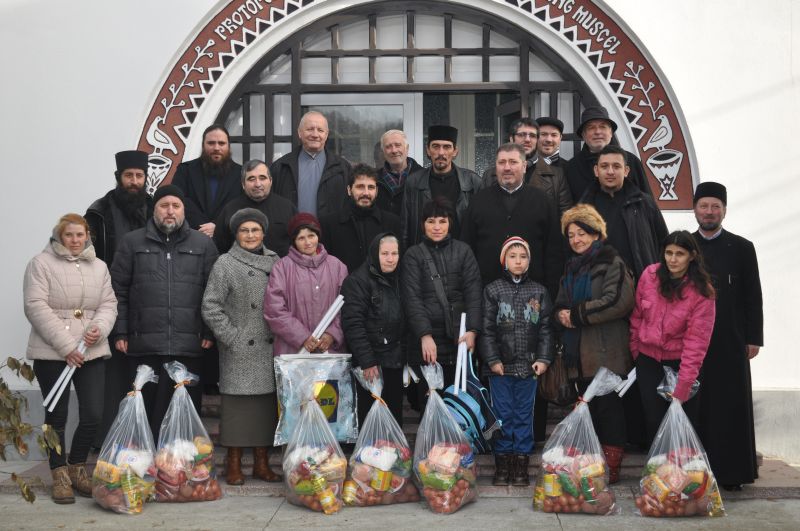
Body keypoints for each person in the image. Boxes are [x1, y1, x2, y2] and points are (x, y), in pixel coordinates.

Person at [111, 185, 219, 439]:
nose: (170, 211)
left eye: (176, 206)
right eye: (164, 205)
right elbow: (118, 291)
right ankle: (146, 466)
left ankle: (179, 467)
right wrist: (121, 331)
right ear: (154, 209)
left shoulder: (202, 244)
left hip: (189, 343)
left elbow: (213, 293)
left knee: (183, 414)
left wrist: (208, 331)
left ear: (183, 210)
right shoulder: (132, 242)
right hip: (144, 344)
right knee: (146, 413)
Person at [23, 213, 118, 503]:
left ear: (88, 236)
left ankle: (77, 466)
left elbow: (108, 303)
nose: (75, 240)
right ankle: (59, 472)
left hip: (91, 350)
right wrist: (67, 346)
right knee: (57, 415)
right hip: (53, 352)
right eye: (69, 235)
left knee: (93, 414)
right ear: (59, 237)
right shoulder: (40, 263)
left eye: (80, 235)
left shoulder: (99, 266)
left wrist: (98, 330)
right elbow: (35, 306)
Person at [554, 204, 635, 483]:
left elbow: (618, 302)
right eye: (572, 235)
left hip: (607, 352)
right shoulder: (571, 267)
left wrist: (576, 315)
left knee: (609, 411)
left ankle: (611, 466)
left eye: (582, 233)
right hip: (579, 354)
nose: (576, 239)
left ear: (596, 233)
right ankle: (590, 465)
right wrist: (561, 314)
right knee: (588, 411)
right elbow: (562, 300)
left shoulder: (612, 262)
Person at [202, 208, 282, 485]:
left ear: (263, 233)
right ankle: (232, 462)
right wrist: (231, 337)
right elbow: (210, 305)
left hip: (269, 346)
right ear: (236, 234)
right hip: (239, 348)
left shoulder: (276, 261)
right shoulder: (225, 263)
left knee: (265, 409)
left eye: (255, 230)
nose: (250, 235)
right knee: (236, 410)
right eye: (244, 230)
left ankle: (262, 462)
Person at [692, 182, 764, 491]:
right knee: (698, 407)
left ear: (724, 210)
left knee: (730, 407)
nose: (709, 212)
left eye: (715, 207)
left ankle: (732, 473)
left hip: (731, 339)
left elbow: (753, 295)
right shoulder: (684, 245)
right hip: (693, 342)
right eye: (704, 206)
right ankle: (695, 472)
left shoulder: (742, 247)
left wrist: (754, 337)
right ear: (695, 208)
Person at [85, 149, 153, 448]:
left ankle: (143, 439)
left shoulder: (156, 208)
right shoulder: (98, 213)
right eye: (129, 176)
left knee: (145, 373)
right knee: (113, 376)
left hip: (149, 302)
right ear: (118, 178)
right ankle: (108, 441)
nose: (134, 182)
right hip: (109, 302)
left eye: (139, 176)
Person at [630, 231, 716, 444]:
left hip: (681, 365)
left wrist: (684, 383)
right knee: (654, 422)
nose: (673, 259)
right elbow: (637, 316)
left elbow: (697, 341)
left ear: (692, 256)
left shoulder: (702, 291)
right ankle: (657, 474)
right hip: (649, 362)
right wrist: (636, 350)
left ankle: (684, 474)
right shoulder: (649, 276)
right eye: (668, 253)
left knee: (682, 424)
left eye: (680, 253)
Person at [480, 237, 553, 487]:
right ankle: (502, 464)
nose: (518, 261)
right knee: (502, 415)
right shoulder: (492, 290)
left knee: (523, 415)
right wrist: (492, 359)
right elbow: (487, 329)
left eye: (523, 256)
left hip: (528, 367)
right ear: (504, 261)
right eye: (513, 256)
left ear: (529, 261)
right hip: (500, 369)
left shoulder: (539, 291)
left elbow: (545, 329)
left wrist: (543, 359)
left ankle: (521, 465)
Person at [401, 198, 482, 409]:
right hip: (428, 343)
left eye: (442, 221)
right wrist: (424, 335)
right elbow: (412, 298)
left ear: (450, 223)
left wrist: (472, 330)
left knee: (458, 404)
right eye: (431, 221)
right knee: (429, 404)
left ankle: (458, 444)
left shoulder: (463, 251)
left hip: (459, 339)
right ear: (422, 224)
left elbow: (473, 292)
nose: (437, 227)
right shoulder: (413, 255)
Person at [461, 143, 564, 295]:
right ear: (495, 168)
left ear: (524, 167)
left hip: (534, 296)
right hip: (486, 294)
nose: (507, 168)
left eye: (513, 162)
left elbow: (554, 253)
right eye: (501, 162)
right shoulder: (478, 201)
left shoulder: (544, 201)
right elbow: (467, 250)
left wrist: (552, 295)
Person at [340, 232, 406, 428]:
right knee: (370, 419)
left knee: (392, 417)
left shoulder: (401, 278)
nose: (390, 259)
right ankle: (368, 458)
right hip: (371, 363)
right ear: (374, 253)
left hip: (395, 359)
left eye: (394, 253)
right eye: (384, 253)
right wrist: (367, 360)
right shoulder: (358, 281)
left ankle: (394, 457)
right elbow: (353, 323)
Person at [263, 213, 348, 355]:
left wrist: (332, 334)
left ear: (318, 236)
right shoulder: (282, 268)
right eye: (301, 238)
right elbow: (274, 310)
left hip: (329, 350)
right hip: (293, 351)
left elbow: (348, 307)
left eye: (311, 236)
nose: (308, 242)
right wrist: (302, 337)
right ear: (294, 241)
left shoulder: (337, 266)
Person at [580, 145, 668, 279]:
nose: (610, 172)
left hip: (641, 284)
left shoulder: (644, 203)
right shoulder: (583, 208)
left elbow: (664, 243)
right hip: (596, 286)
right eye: (604, 166)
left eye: (616, 166)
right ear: (596, 171)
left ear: (626, 171)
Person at [401, 125, 482, 248]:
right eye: (436, 146)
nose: (441, 153)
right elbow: (405, 230)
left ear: (455, 151)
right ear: (428, 150)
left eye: (447, 147)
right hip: (423, 258)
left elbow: (481, 227)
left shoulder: (472, 182)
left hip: (461, 258)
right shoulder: (414, 182)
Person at [320, 163, 402, 272]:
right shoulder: (328, 224)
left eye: (371, 187)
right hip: (342, 288)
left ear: (376, 191)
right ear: (349, 190)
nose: (366, 193)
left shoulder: (392, 223)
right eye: (360, 187)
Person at [482, 118, 573, 214]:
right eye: (521, 135)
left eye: (532, 136)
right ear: (511, 138)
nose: (527, 140)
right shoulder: (489, 176)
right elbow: (481, 212)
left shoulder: (557, 176)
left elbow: (565, 217)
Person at [270, 111, 351, 218]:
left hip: (331, 233)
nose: (315, 135)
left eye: (320, 130)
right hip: (291, 232)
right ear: (299, 132)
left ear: (326, 135)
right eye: (310, 129)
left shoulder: (342, 168)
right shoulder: (281, 167)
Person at [565, 106, 654, 201]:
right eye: (591, 128)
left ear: (611, 133)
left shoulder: (631, 161)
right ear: (583, 135)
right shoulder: (572, 167)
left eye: (603, 127)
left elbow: (648, 204)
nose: (597, 132)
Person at [213, 159, 297, 257]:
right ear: (243, 184)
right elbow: (220, 247)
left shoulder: (287, 208)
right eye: (251, 179)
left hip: (281, 270)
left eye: (262, 178)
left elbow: (298, 244)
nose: (257, 184)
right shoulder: (230, 210)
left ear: (270, 181)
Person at [171, 124, 243, 238]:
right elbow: (177, 200)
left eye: (221, 143)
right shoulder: (185, 170)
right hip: (191, 238)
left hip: (227, 241)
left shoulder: (241, 173)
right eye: (211, 143)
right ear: (203, 145)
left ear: (229, 146)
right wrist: (202, 228)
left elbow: (241, 205)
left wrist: (218, 226)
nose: (216, 148)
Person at [376, 130, 423, 216]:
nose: (394, 150)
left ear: (407, 148)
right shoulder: (374, 180)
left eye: (398, 145)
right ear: (383, 152)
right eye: (388, 147)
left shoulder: (423, 177)